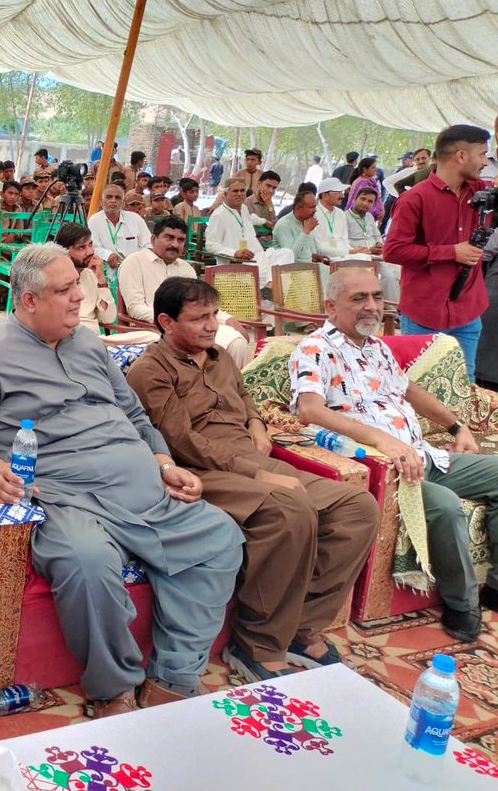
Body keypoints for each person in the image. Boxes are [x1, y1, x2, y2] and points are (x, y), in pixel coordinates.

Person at [0, 243, 242, 713]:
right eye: (64, 289)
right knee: (85, 561)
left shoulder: (89, 341)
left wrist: (163, 462)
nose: (79, 296)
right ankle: (112, 688)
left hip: (143, 487)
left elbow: (132, 411)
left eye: (77, 284)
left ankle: (172, 679)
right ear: (28, 301)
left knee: (221, 540)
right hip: (66, 497)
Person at [127, 278, 378, 681]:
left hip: (251, 456)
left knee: (357, 507)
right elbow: (182, 442)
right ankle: (256, 640)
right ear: (166, 322)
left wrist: (258, 426)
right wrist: (259, 473)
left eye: (213, 315)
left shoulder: (221, 355)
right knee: (288, 509)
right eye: (198, 319)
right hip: (201, 471)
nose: (212, 326)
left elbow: (245, 400)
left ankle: (299, 627)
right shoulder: (150, 371)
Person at [290, 268, 498, 643]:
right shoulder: (314, 348)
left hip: (423, 456)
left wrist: (457, 427)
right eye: (359, 299)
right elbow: (309, 410)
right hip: (386, 469)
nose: (372, 306)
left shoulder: (378, 347)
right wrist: (382, 440)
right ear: (330, 307)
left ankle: (496, 584)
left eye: (375, 295)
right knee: (446, 506)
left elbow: (409, 390)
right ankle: (462, 603)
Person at [384, 124, 493, 381]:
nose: (486, 162)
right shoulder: (415, 199)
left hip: (468, 308)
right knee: (420, 385)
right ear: (461, 156)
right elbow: (394, 250)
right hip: (425, 311)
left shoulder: (481, 193)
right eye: (482, 154)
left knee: (463, 382)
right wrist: (451, 252)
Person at [117, 216, 252, 366]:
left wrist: (228, 320)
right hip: (155, 330)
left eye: (180, 240)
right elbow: (135, 308)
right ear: (154, 239)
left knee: (237, 342)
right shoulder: (134, 262)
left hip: (193, 326)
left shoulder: (185, 268)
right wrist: (175, 321)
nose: (175, 244)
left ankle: (234, 388)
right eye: (169, 238)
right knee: (218, 344)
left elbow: (202, 305)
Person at [53, 222, 158, 345]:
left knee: (151, 337)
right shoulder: (54, 280)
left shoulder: (91, 275)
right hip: (69, 339)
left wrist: (101, 281)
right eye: (81, 248)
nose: (90, 252)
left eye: (90, 245)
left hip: (96, 339)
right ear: (65, 251)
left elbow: (108, 318)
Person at [203, 177, 294, 288]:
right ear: (225, 194)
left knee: (286, 253)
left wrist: (264, 221)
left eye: (242, 191)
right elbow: (210, 245)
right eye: (235, 191)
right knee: (280, 276)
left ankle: (269, 288)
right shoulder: (219, 215)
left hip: (259, 256)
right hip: (238, 263)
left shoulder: (244, 209)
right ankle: (270, 290)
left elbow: (251, 218)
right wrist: (235, 253)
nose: (239, 194)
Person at [86, 184, 151, 293]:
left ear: (123, 202)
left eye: (117, 197)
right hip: (106, 276)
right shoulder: (94, 220)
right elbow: (93, 247)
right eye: (109, 197)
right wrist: (108, 256)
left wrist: (135, 260)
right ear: (102, 202)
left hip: (134, 273)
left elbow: (148, 245)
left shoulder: (135, 219)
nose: (113, 200)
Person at [345, 187, 401, 300]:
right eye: (363, 199)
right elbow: (344, 243)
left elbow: (377, 236)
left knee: (401, 269)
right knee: (388, 276)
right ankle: (391, 312)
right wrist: (370, 249)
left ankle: (402, 307)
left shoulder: (369, 217)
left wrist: (380, 245)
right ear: (355, 199)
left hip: (376, 254)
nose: (365, 203)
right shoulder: (344, 217)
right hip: (360, 256)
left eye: (370, 201)